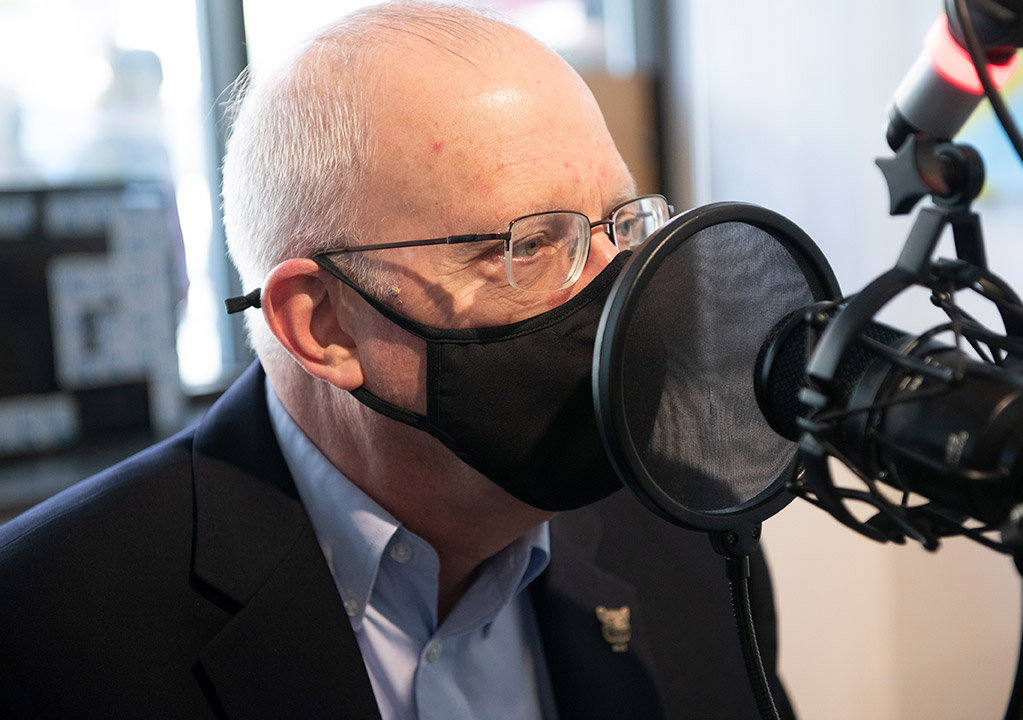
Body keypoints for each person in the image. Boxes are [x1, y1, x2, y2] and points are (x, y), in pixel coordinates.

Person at [0, 3, 794, 718]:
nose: (614, 292)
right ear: (323, 325)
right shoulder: (46, 627)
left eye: (621, 224)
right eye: (530, 245)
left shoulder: (687, 535)